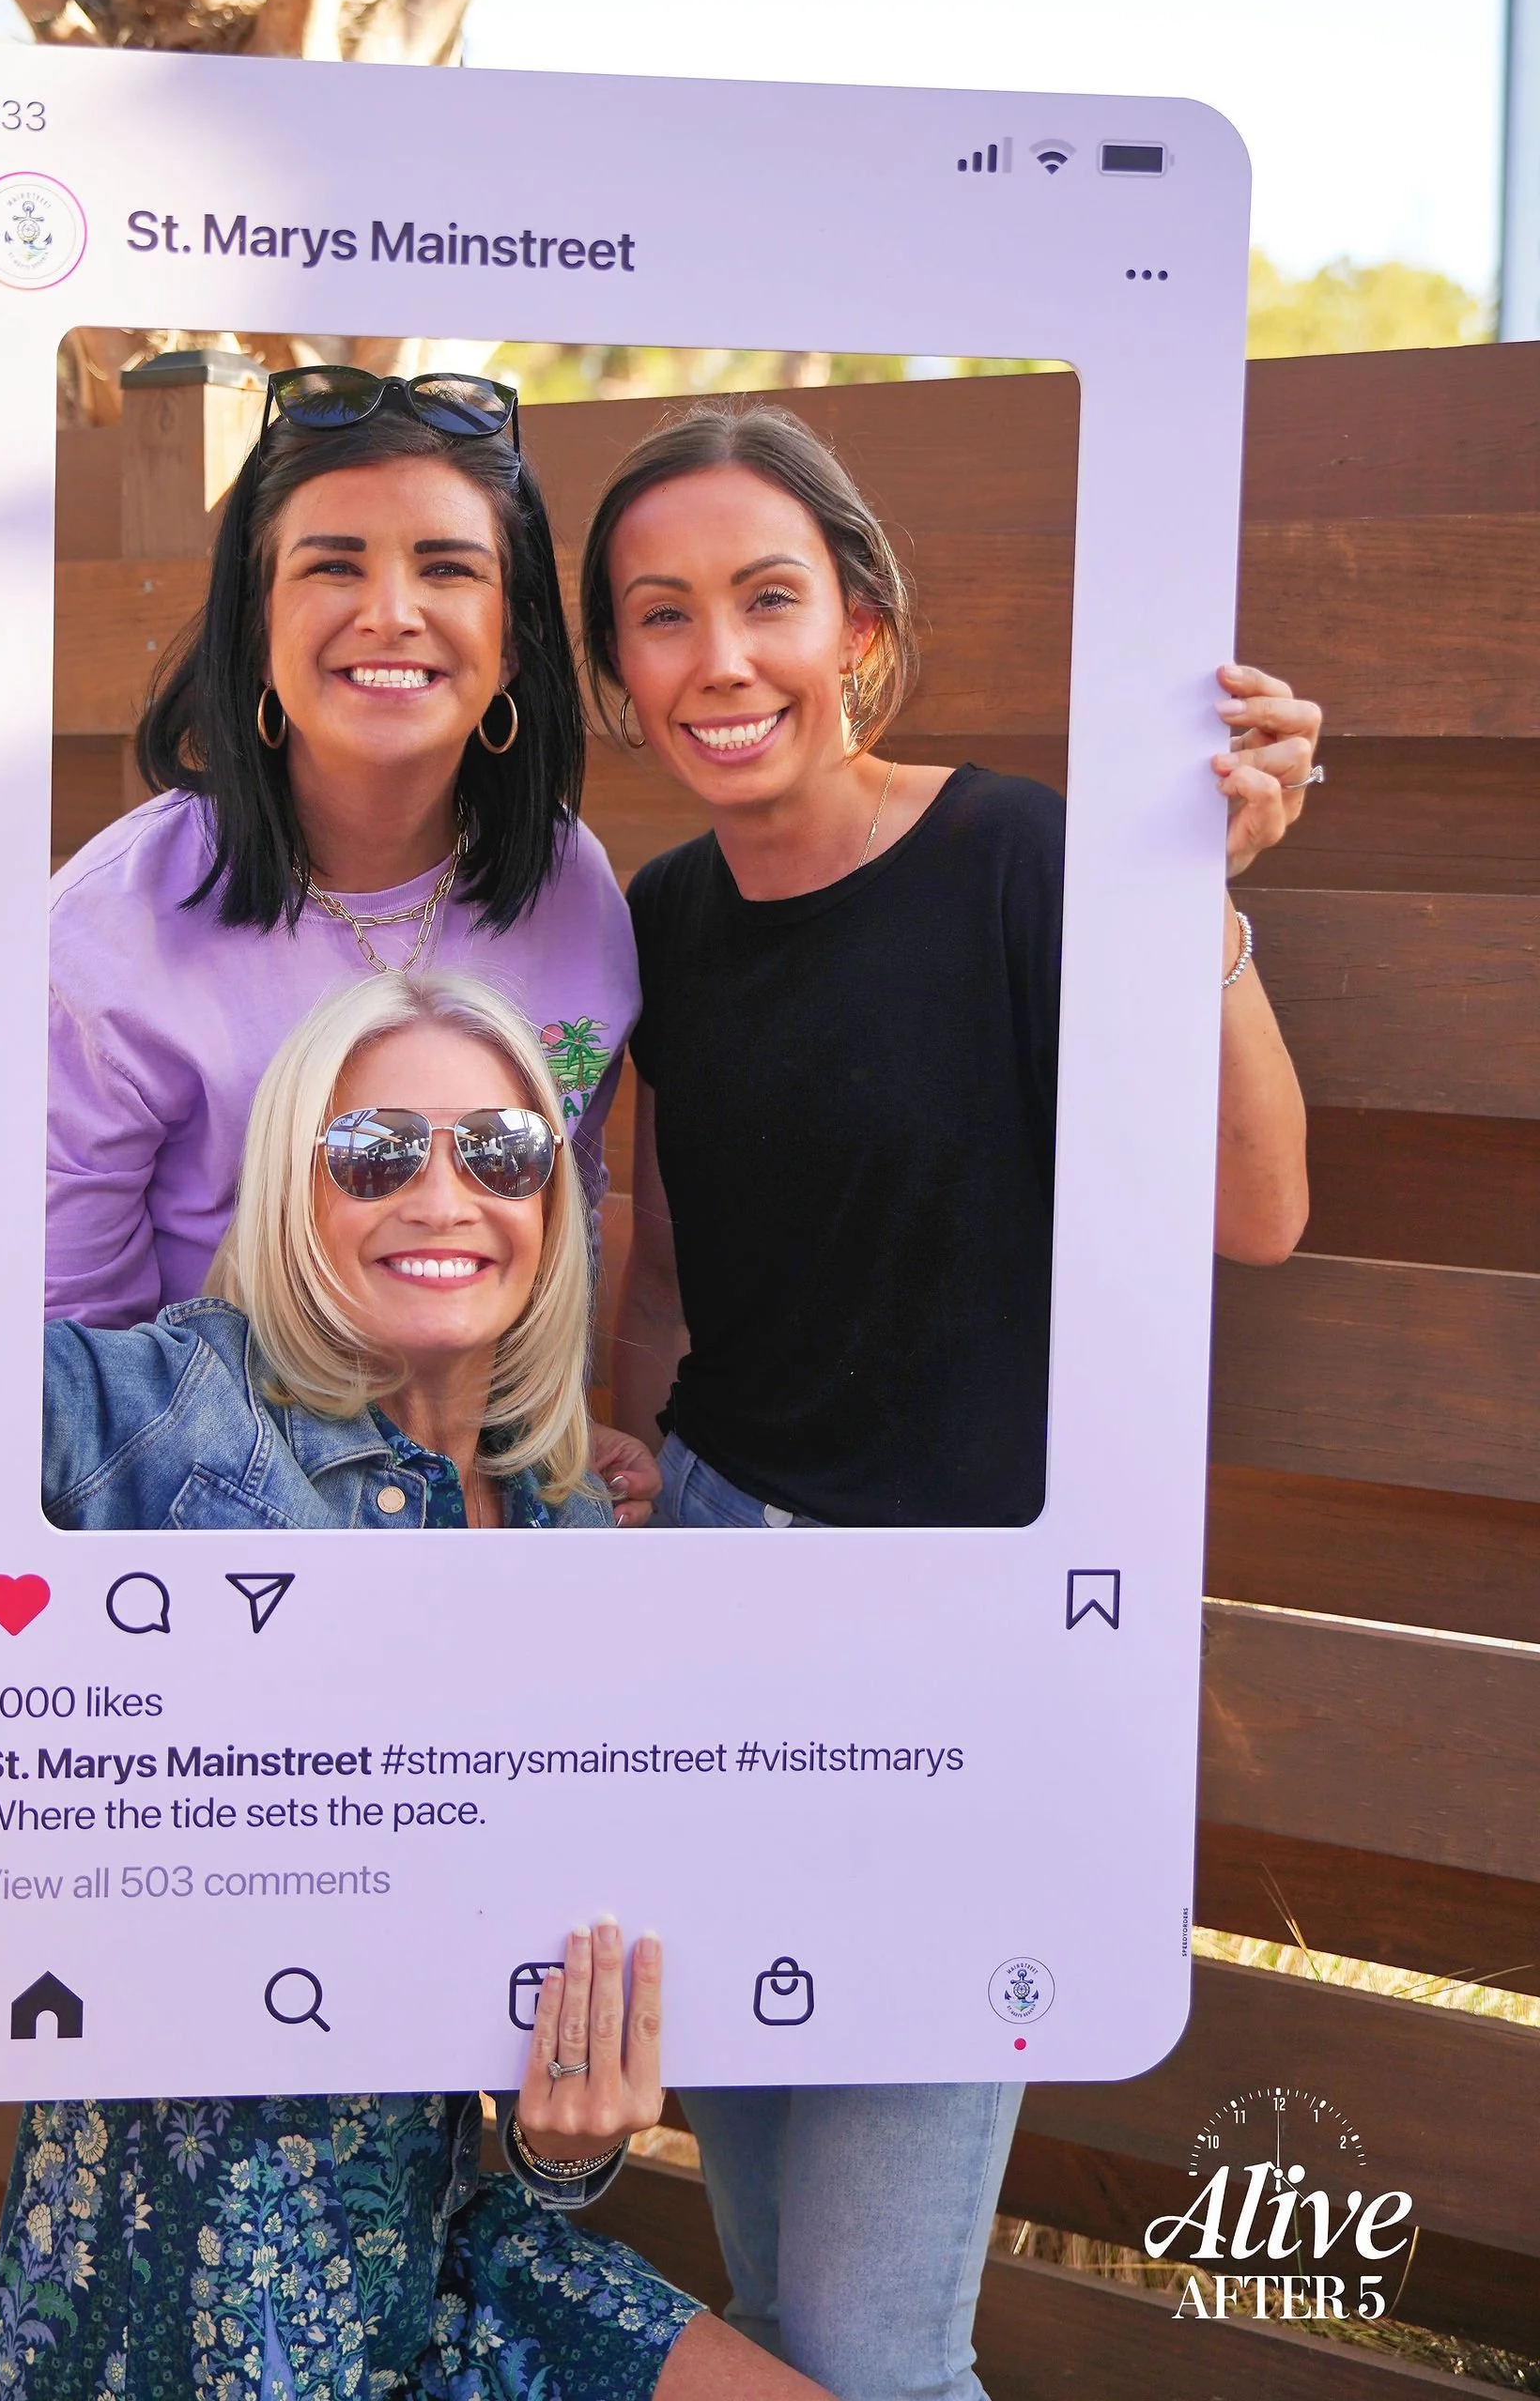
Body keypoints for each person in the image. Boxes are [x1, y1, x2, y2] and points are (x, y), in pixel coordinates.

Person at [0, 919, 827, 2401]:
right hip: (170, 2293)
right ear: (295, 1184)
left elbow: (515, 2043)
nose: (443, 1193)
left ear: (552, 1203)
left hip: (441, 2250)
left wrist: (566, 2147)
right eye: (373, 1150)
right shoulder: (157, 1411)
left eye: (499, 1152)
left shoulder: (566, 1544)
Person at [579, 404, 1318, 2401]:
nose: (717, 657)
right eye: (660, 617)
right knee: (771, 2294)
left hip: (964, 1654)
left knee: (878, 2341)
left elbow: (1257, 1210)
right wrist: (621, 1458)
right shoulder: (658, 925)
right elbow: (663, 1265)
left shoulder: (1016, 856)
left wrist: (1203, 912)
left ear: (862, 628)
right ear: (619, 681)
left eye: (764, 600)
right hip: (718, 1608)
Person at [0, 362, 654, 1513]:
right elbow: (67, 1346)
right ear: (254, 630)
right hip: (213, 1518)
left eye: (446, 568)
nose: (390, 610)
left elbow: (555, 1207)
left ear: (510, 642)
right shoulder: (114, 925)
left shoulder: (573, 888)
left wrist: (555, 1445)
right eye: (331, 565)